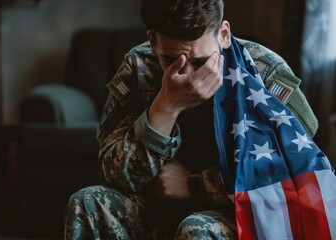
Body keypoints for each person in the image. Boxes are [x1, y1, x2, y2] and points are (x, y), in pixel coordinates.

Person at [64, 0, 322, 239]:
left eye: (199, 61)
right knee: (88, 201)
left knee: (196, 229)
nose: (185, 75)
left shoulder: (264, 71)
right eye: (170, 60)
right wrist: (166, 107)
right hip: (156, 205)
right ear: (153, 42)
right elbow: (114, 175)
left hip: (232, 210)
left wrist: (197, 184)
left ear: (223, 35)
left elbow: (296, 176)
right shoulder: (139, 66)